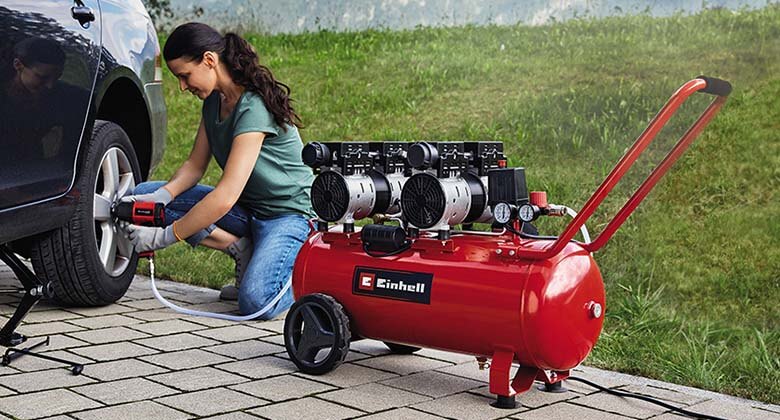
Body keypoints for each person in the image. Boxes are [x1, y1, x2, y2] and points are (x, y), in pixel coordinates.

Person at [120, 22, 314, 320]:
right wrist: (161, 197)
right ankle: (240, 247)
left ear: (209, 60)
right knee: (142, 196)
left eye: (185, 75)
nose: (183, 87)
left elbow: (225, 196)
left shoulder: (253, 107)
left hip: (288, 215)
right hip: (248, 209)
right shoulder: (214, 101)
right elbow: (195, 166)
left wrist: (165, 237)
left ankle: (311, 278)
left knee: (256, 301)